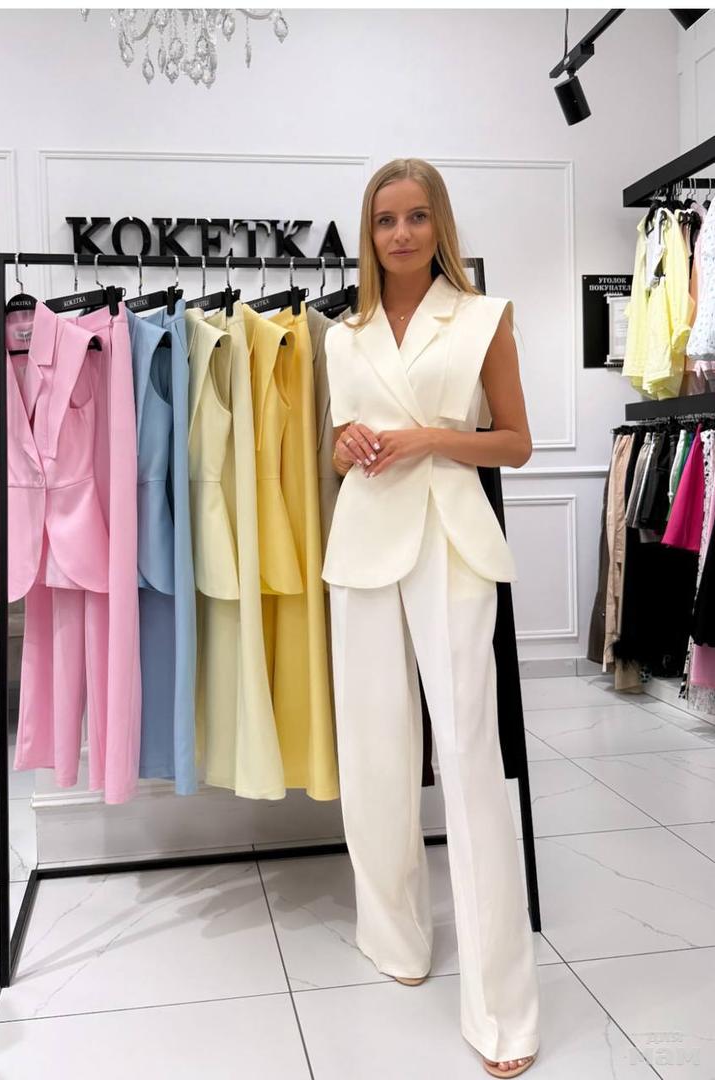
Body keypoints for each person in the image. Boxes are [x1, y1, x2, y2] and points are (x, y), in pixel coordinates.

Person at [321, 158, 540, 1077]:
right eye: (385, 220)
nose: (401, 234)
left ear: (438, 224)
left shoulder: (484, 316)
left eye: (415, 217)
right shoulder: (342, 334)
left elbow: (515, 444)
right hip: (363, 547)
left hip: (450, 542)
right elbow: (340, 454)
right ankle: (394, 936)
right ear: (368, 233)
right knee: (373, 755)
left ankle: (502, 1012)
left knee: (469, 761)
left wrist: (427, 439)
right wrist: (345, 445)